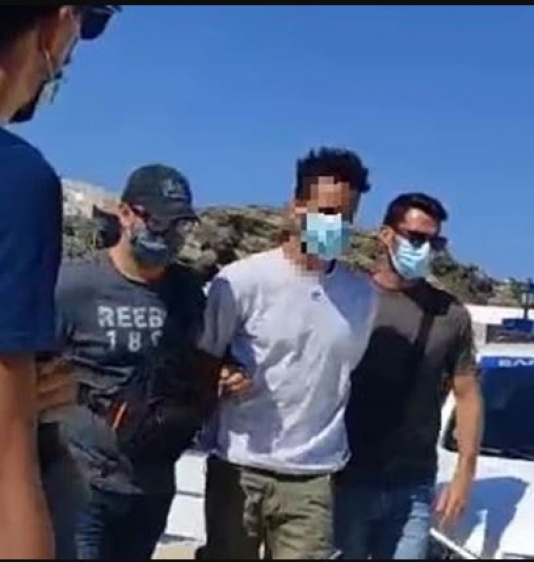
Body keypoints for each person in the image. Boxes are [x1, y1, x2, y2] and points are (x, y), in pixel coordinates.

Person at [196, 147, 379, 559]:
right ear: (296, 208)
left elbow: (345, 368)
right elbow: (202, 360)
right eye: (327, 212)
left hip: (313, 475)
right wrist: (222, 375)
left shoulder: (362, 296)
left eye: (346, 217)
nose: (336, 225)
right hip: (239, 466)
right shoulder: (241, 281)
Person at [0, 5, 119, 558]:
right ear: (59, 22)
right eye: (90, 25)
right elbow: (5, 459)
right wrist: (24, 400)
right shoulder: (17, 180)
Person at [53, 164, 209, 559]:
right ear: (125, 214)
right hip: (82, 481)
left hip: (152, 487)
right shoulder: (73, 286)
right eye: (156, 221)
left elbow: (204, 365)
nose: (167, 234)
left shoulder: (189, 293)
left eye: (179, 225)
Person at [334, 192, 483, 559]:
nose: (425, 250)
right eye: (416, 238)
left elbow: (467, 394)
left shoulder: (450, 314)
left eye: (435, 242)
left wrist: (464, 474)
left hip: (412, 481)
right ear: (386, 235)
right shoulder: (348, 297)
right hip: (344, 477)